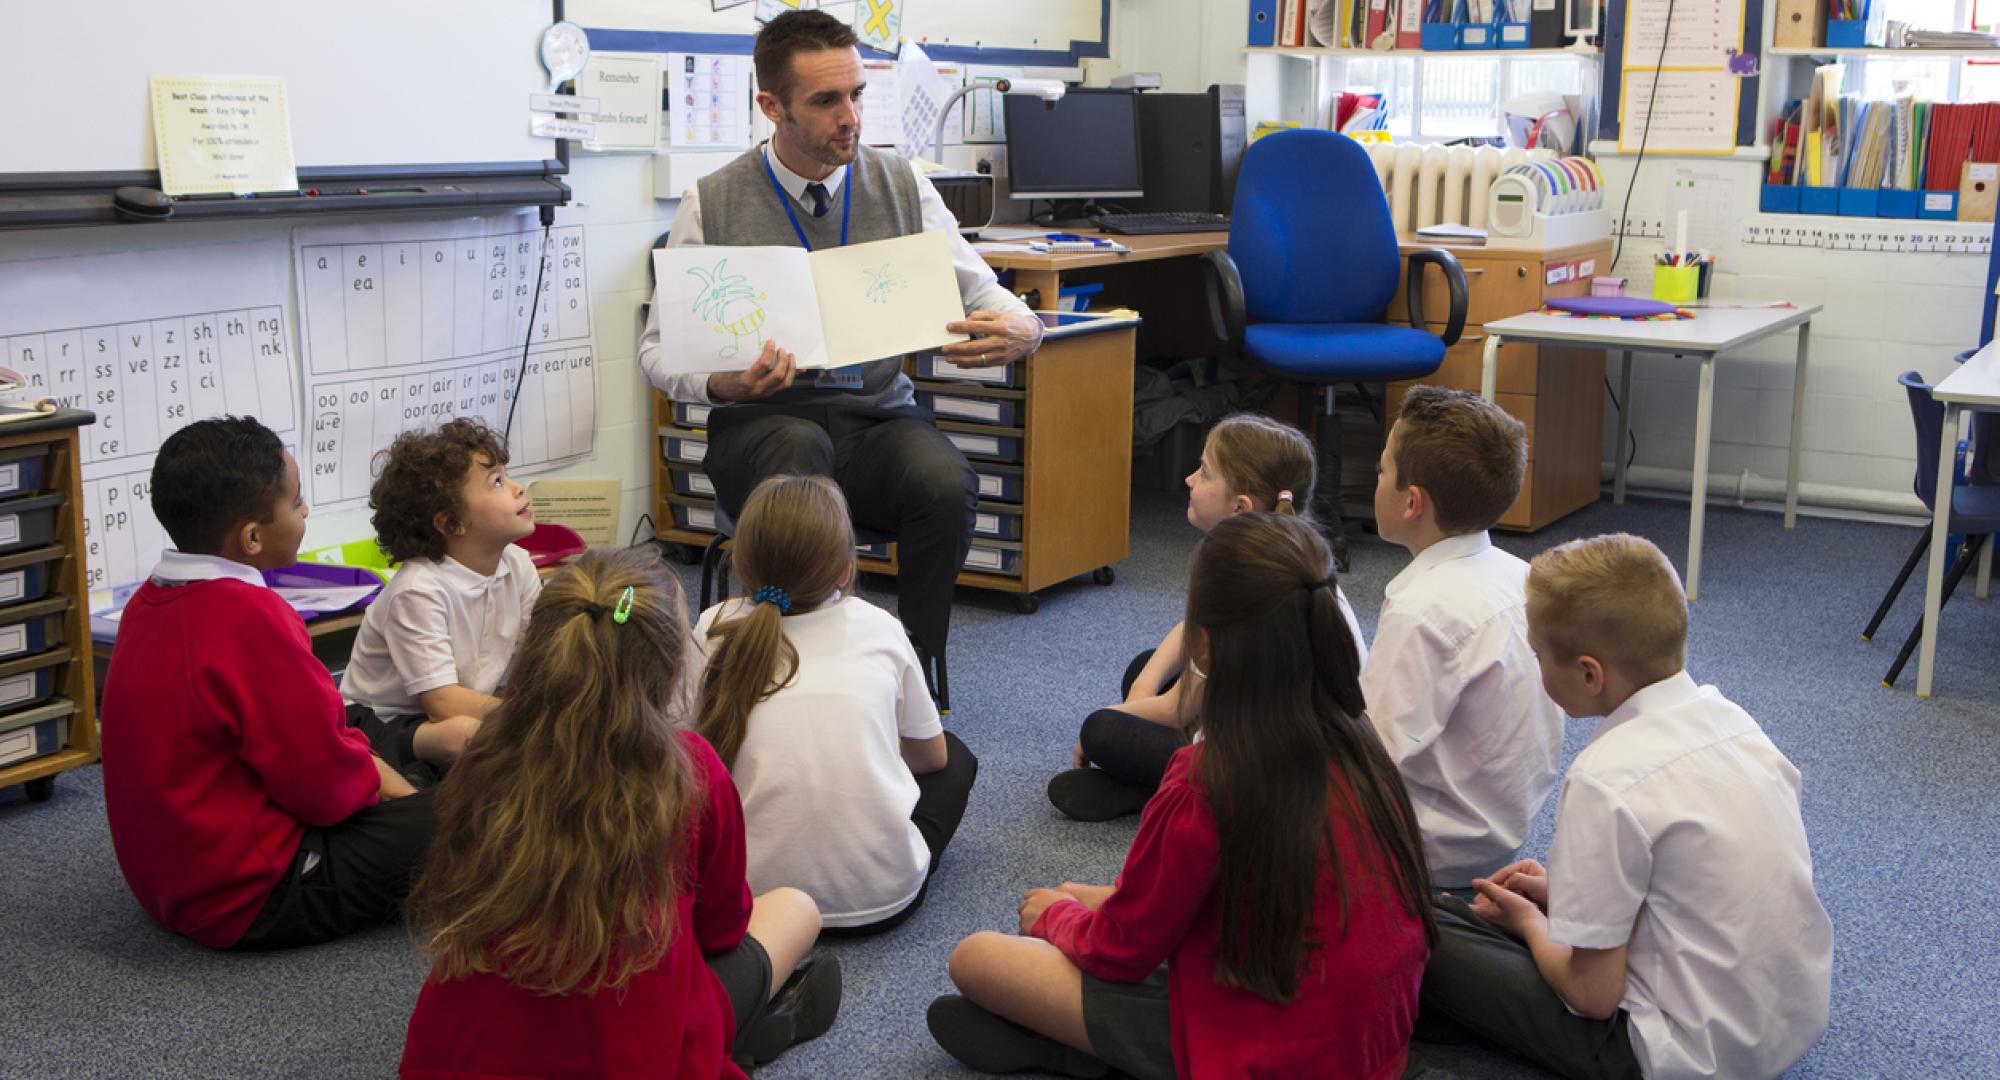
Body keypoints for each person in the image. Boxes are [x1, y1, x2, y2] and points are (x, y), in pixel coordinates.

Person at [929, 514, 1434, 1080]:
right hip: (1374, 1046)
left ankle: (1084, 1052)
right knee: (1098, 910)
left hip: (1264, 1050)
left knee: (977, 959)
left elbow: (1121, 951)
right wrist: (1103, 898)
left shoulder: (1207, 776)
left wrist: (1057, 918)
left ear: (1203, 646)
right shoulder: (1363, 745)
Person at [638, 9, 1045, 668]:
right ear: (772, 106)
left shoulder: (903, 183)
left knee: (944, 480)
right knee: (798, 448)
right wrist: (721, 382)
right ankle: (791, 670)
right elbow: (656, 352)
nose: (851, 116)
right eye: (827, 101)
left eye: (856, 93)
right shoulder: (711, 202)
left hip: (877, 418)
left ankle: (911, 672)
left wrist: (1024, 326)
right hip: (763, 423)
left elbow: (983, 287)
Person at [400, 547, 841, 1079]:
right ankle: (751, 1027)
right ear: (674, 672)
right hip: (634, 1046)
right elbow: (722, 930)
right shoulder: (692, 772)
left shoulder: (485, 757)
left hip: (460, 1058)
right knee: (796, 909)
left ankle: (745, 1027)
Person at [1417, 534, 1833, 1080]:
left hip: (1670, 1057)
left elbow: (1591, 995)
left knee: (1422, 926)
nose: (1537, 667)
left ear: (1590, 674)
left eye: (1538, 655)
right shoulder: (1736, 723)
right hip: (1784, 1020)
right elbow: (1700, 884)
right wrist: (1566, 895)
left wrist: (1529, 924)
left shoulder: (1604, 778)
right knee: (1472, 921)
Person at [101, 416, 434, 950]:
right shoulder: (251, 617)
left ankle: (416, 764)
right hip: (250, 897)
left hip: (173, 879)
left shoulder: (151, 596)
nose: (305, 511)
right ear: (251, 537)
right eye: (296, 502)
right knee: (464, 821)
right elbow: (325, 793)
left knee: (354, 719)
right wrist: (406, 798)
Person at [692, 475, 977, 936]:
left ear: (740, 561)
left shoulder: (712, 624)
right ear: (845, 569)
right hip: (879, 902)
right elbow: (932, 758)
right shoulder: (880, 627)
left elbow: (684, 747)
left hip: (742, 898)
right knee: (957, 758)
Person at [1047, 413, 1368, 821]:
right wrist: (1144, 686)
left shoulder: (1243, 579)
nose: (1189, 480)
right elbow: (1193, 631)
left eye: (1204, 473)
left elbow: (1178, 710)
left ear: (1240, 506)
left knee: (1101, 732)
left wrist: (1109, 718)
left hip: (1268, 772)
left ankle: (1167, 796)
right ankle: (1155, 789)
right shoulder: (1293, 550)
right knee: (1145, 667)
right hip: (1286, 737)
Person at [1362, 385, 1564, 889]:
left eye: (1382, 470)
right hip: (1495, 834)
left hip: (1419, 852)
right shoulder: (1525, 577)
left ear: (1412, 503)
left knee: (1221, 759)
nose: (1377, 478)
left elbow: (1371, 758)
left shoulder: (1422, 611)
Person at [339, 418, 538, 767]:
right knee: (467, 734)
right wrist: (540, 717)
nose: (517, 489)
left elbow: (536, 660)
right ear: (451, 524)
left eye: (507, 476)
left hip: (464, 709)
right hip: (383, 731)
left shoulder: (518, 565)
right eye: (497, 483)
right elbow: (443, 703)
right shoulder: (417, 590)